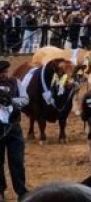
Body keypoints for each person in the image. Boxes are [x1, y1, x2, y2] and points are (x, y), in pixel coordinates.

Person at [0, 60, 28, 200]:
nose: (3, 75)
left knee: (17, 160)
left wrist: (12, 100)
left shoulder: (16, 83)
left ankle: (21, 191)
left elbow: (25, 100)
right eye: (1, 73)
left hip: (13, 127)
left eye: (5, 72)